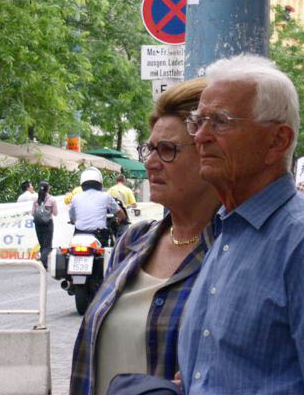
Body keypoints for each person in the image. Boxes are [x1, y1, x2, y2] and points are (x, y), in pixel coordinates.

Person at [178, 55, 304, 394]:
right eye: (198, 121)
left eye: (220, 121)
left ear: (277, 141)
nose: (201, 136)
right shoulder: (229, 231)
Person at [70, 78, 221, 395]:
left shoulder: (233, 252)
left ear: (209, 154)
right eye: (149, 149)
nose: (151, 163)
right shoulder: (133, 241)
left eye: (167, 150)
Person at [69, 167, 125, 246]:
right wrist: (120, 219)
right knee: (111, 249)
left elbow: (72, 217)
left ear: (82, 183)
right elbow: (120, 213)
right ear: (99, 183)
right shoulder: (106, 196)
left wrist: (74, 221)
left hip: (79, 233)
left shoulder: (75, 198)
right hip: (99, 235)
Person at [31, 181, 58, 268]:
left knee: (42, 244)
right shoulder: (52, 200)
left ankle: (43, 265)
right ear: (48, 189)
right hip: (48, 223)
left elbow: (32, 213)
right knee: (47, 246)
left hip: (38, 224)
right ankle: (43, 260)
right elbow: (55, 213)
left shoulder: (36, 200)